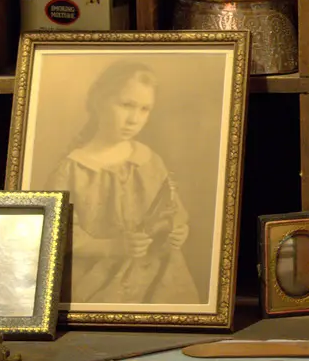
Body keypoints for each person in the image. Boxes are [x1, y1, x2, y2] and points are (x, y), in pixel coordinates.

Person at [45, 60, 201, 305]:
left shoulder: (150, 161)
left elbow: (173, 211)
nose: (134, 119)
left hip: (157, 276)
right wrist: (113, 247)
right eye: (127, 105)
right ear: (98, 101)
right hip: (99, 280)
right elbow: (58, 233)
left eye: (144, 109)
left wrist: (178, 231)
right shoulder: (72, 169)